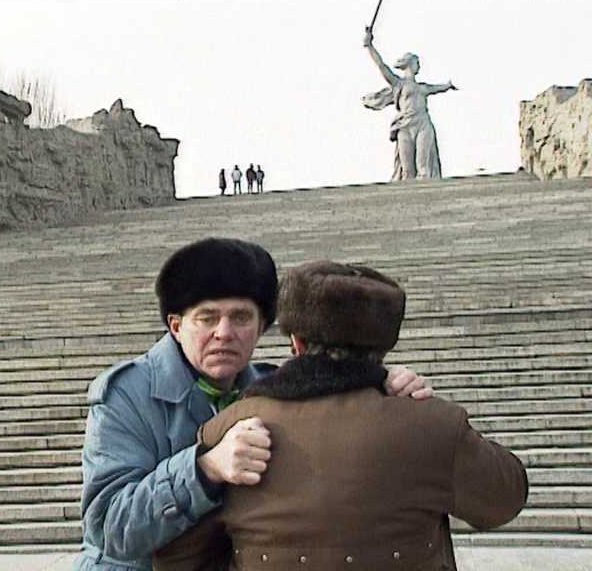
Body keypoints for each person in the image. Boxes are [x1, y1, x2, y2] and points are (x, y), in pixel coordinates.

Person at [75, 239, 435, 571]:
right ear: (175, 325)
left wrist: (380, 384)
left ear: (263, 326)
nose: (224, 332)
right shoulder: (126, 394)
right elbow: (108, 526)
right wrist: (204, 469)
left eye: (241, 317)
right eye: (207, 317)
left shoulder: (272, 388)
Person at [155, 260, 528, 571]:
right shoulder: (432, 424)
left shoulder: (228, 430)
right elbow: (504, 499)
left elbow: (177, 556)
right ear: (382, 348)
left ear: (296, 343)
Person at [362, 27, 457, 181]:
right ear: (409, 64)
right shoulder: (398, 84)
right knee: (407, 172)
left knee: (423, 168)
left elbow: (438, 88)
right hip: (405, 125)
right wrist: (370, 46)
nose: (418, 65)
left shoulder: (422, 87)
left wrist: (448, 85)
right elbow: (382, 66)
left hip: (422, 124)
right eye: (416, 62)